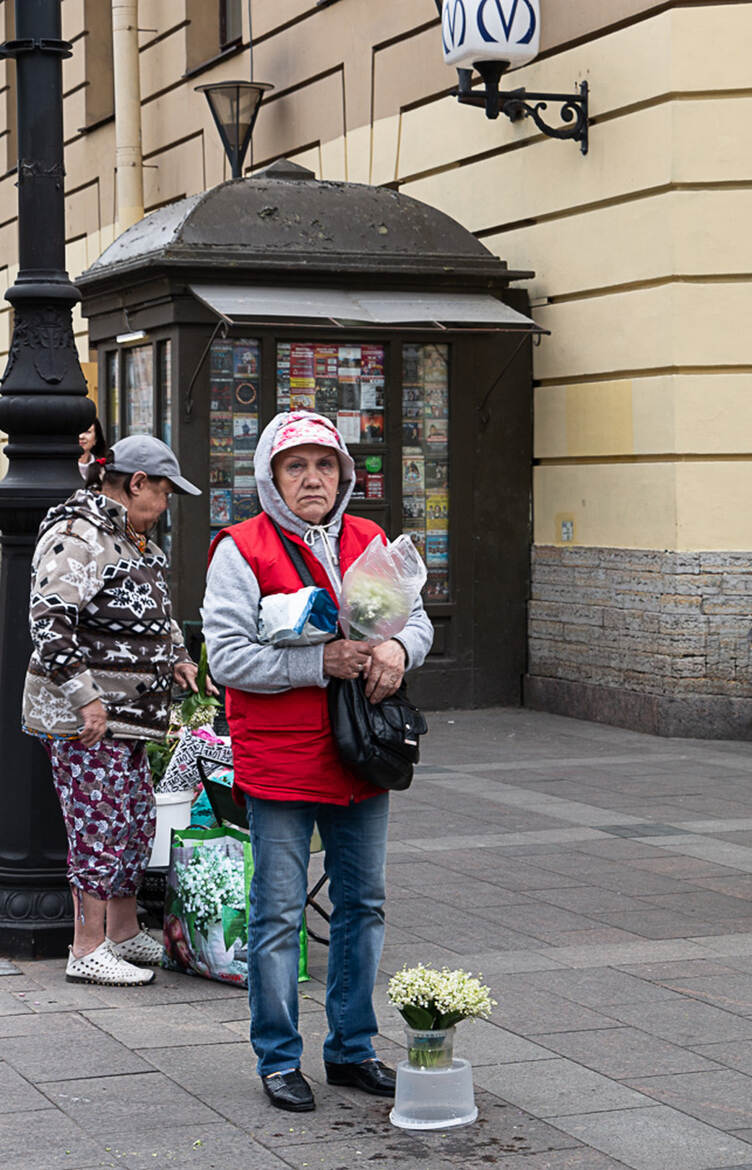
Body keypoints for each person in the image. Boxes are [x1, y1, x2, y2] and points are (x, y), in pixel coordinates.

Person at [203, 411, 433, 1113]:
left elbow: (414, 619)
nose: (312, 479)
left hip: (360, 758)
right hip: (280, 760)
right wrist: (318, 661)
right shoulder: (242, 549)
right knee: (276, 918)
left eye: (324, 465)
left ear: (344, 474)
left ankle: (352, 1050)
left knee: (362, 906)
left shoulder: (370, 541)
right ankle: (278, 1060)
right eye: (296, 466)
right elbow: (227, 656)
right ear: (271, 476)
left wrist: (398, 650)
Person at [23, 435, 211, 987]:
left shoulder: (134, 539)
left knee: (133, 822)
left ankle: (124, 934)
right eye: (165, 491)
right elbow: (49, 622)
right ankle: (86, 949)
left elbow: (156, 609)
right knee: (99, 825)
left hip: (128, 715)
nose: (168, 502)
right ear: (136, 483)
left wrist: (177, 655)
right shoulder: (77, 535)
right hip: (87, 718)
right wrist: (87, 699)